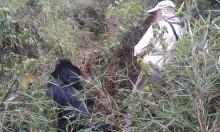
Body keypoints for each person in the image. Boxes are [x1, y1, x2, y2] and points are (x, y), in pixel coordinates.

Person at [134, 0, 184, 91]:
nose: (154, 17)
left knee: (138, 100)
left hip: (151, 69)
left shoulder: (160, 25)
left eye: (155, 14)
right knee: (153, 102)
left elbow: (139, 50)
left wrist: (138, 53)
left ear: (162, 11)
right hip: (168, 76)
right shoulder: (181, 31)